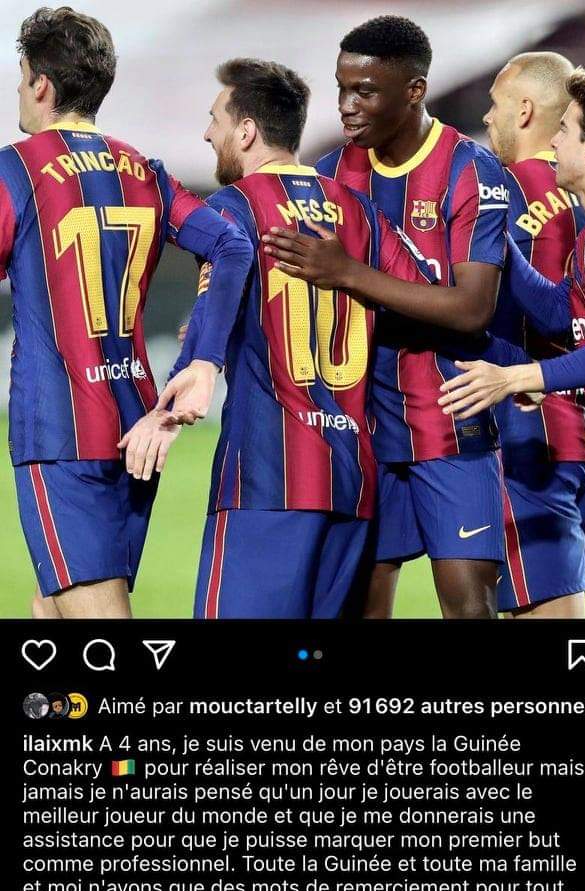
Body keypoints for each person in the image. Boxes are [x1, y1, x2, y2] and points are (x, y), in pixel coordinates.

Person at [128, 57, 435, 618]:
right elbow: (427, 299)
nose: (207, 133)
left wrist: (176, 394)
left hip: (268, 475)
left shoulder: (233, 208)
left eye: (216, 119)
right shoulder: (360, 211)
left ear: (246, 131)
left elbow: (215, 299)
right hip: (352, 478)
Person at [0, 7, 253, 619]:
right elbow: (231, 245)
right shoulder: (144, 170)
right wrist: (205, 359)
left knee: (96, 613)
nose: (19, 90)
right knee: (54, 605)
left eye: (21, 77)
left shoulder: (16, 169)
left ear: (41, 84)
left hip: (60, 429)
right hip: (136, 422)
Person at [262, 16, 509, 619]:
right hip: (358, 424)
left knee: (469, 609)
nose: (346, 106)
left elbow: (472, 309)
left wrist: (349, 273)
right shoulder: (327, 175)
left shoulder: (470, 171)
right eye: (342, 88)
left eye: (365, 92)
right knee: (358, 608)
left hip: (448, 421)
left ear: (415, 90)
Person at [437, 70, 585, 619]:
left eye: (565, 130)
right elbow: (560, 313)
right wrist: (491, 234)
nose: (554, 142)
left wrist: (515, 377)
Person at [483, 52, 585, 618]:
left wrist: (521, 376)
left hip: (534, 437)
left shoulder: (500, 189)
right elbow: (566, 313)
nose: (487, 118)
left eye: (494, 105)